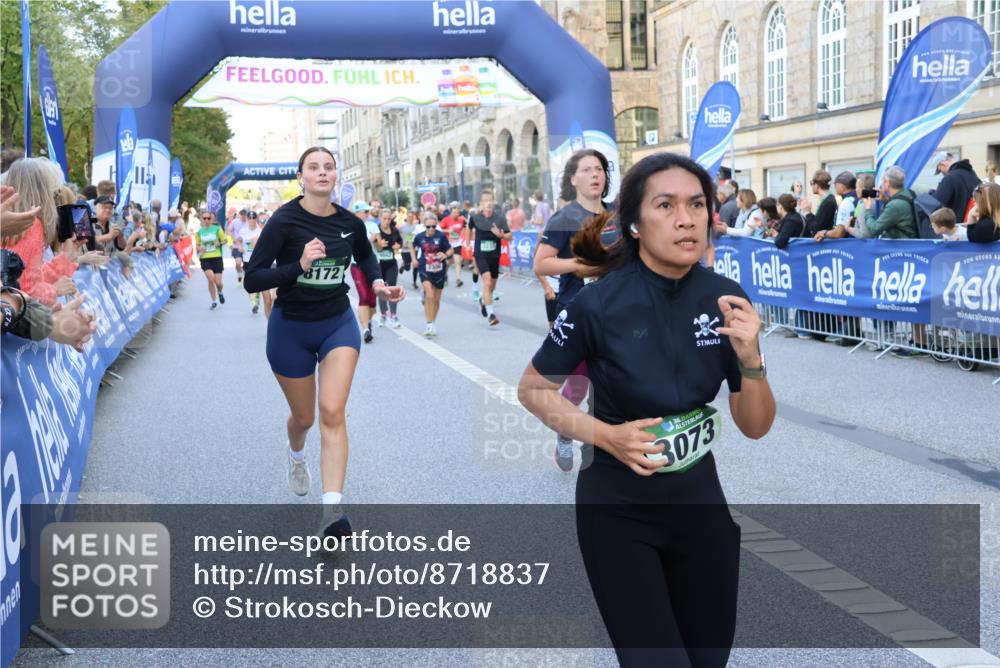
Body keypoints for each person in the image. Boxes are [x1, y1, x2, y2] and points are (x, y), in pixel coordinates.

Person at [518, 152, 775, 668]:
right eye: (667, 205)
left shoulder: (726, 298)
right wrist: (606, 437)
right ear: (635, 224)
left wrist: (751, 361)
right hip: (618, 513)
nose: (686, 218)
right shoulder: (596, 304)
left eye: (697, 204)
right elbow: (533, 389)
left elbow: (755, 426)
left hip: (701, 509)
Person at [243, 146, 404, 538]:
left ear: (336, 176)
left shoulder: (349, 222)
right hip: (291, 329)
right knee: (305, 419)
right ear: (301, 176)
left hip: (337, 324)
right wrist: (298, 266)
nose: (321, 173)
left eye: (328, 167)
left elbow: (366, 258)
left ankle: (332, 512)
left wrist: (379, 283)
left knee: (333, 412)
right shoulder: (284, 222)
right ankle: (297, 455)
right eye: (313, 167)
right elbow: (253, 278)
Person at [533, 149, 616, 471]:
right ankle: (565, 433)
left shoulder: (617, 216)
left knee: (616, 383)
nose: (596, 174)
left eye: (600, 169)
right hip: (579, 311)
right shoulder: (565, 217)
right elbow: (541, 262)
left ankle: (604, 447)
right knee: (579, 384)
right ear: (574, 178)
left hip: (616, 311)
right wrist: (580, 265)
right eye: (588, 169)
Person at [467, 189, 511, 327]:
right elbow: (469, 228)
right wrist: (468, 243)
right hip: (480, 254)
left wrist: (501, 235)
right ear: (481, 203)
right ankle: (491, 314)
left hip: (494, 255)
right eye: (485, 201)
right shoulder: (475, 217)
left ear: (493, 202)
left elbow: (510, 236)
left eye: (490, 200)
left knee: (492, 285)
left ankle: (482, 300)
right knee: (486, 282)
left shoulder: (500, 218)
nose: (488, 203)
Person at [412, 211, 454, 336]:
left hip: (439, 269)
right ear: (424, 225)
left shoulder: (441, 236)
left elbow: (450, 249)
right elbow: (411, 246)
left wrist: (445, 254)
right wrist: (414, 259)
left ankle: (432, 322)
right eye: (428, 226)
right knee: (429, 295)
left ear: (436, 226)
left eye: (433, 226)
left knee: (436, 299)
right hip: (424, 268)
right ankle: (428, 323)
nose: (431, 229)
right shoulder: (419, 237)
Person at [349, 201, 379, 343]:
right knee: (363, 296)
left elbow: (379, 247)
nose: (367, 214)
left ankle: (369, 320)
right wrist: (368, 239)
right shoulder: (350, 226)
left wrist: (377, 241)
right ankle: (366, 329)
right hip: (357, 265)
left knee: (373, 301)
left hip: (373, 265)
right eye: (365, 212)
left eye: (368, 212)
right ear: (357, 213)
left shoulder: (372, 225)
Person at [860, 166, 917, 239]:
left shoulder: (894, 206)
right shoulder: (908, 193)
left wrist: (868, 209)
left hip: (900, 247)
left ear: (888, 182)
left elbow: (874, 229)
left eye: (882, 180)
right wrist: (886, 200)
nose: (881, 184)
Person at [932, 151, 980, 222]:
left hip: (956, 226)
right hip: (973, 223)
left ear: (943, 164)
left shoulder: (950, 178)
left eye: (940, 170)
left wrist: (932, 194)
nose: (942, 173)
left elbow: (937, 205)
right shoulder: (972, 174)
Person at [374, 207, 402, 328]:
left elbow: (400, 242)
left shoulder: (395, 230)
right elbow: (373, 246)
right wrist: (378, 245)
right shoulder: (377, 230)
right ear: (380, 219)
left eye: (389, 219)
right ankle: (383, 314)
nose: (386, 221)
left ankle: (394, 316)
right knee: (382, 290)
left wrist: (398, 246)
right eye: (384, 219)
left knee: (392, 289)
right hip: (379, 264)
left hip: (391, 263)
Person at [195, 209, 227, 309]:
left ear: (211, 219)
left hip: (217, 257)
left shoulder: (217, 229)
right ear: (201, 219)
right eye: (204, 218)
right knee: (211, 279)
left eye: (208, 218)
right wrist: (199, 248)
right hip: (205, 258)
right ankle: (214, 301)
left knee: (218, 283)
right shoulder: (199, 232)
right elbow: (197, 244)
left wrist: (219, 243)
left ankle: (220, 291)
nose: (207, 220)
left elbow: (225, 240)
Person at [814, 172, 858, 241]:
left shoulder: (846, 203)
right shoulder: (858, 199)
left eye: (835, 184)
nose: (834, 186)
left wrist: (825, 233)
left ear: (842, 186)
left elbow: (839, 233)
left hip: (847, 246)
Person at [237, 211, 265, 314]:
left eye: (254, 218)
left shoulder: (261, 231)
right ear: (247, 219)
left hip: (258, 260)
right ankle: (253, 303)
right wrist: (240, 246)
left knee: (257, 281)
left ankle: (256, 298)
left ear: (256, 219)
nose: (252, 220)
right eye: (250, 218)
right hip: (247, 259)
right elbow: (239, 240)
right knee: (248, 281)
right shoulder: (243, 231)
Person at [800, 170, 836, 236]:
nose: (811, 186)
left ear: (817, 185)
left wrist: (807, 212)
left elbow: (816, 229)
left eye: (811, 183)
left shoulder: (828, 202)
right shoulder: (829, 199)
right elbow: (819, 222)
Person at [440, 203, 466, 287]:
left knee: (458, 261)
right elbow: (439, 229)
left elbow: (464, 228)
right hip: (448, 244)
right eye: (455, 213)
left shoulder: (461, 220)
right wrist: (447, 231)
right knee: (448, 262)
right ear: (451, 212)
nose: (456, 214)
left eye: (458, 213)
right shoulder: (446, 219)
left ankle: (458, 279)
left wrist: (462, 233)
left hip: (457, 243)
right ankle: (444, 274)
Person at [229, 209, 249, 283]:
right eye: (242, 216)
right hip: (236, 246)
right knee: (238, 263)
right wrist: (233, 238)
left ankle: (246, 276)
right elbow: (229, 230)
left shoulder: (249, 222)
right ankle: (239, 274)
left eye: (244, 216)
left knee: (246, 264)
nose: (243, 218)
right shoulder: (235, 222)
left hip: (246, 247)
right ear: (239, 215)